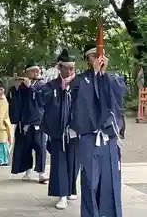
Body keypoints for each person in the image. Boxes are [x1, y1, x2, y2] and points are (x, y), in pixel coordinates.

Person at [70, 41, 122, 217]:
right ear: (87, 59)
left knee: (110, 183)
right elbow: (83, 103)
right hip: (89, 138)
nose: (98, 59)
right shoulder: (79, 81)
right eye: (93, 56)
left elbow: (115, 101)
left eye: (100, 55)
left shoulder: (113, 78)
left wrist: (103, 76)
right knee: (90, 183)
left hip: (108, 139)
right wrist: (95, 76)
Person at [41, 49, 80, 209]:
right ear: (60, 68)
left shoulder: (78, 84)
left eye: (72, 68)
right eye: (66, 68)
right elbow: (47, 103)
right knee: (60, 164)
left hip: (74, 131)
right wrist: (62, 89)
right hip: (59, 132)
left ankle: (70, 189)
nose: (70, 71)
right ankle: (62, 195)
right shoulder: (51, 86)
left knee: (74, 163)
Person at [12, 60, 48, 183]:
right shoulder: (22, 85)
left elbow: (42, 100)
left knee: (40, 147)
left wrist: (31, 87)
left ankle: (42, 173)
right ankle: (28, 171)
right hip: (26, 121)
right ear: (27, 73)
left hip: (38, 121)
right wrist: (16, 88)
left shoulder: (42, 84)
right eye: (33, 70)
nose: (36, 72)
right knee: (26, 148)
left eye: (37, 70)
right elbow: (18, 103)